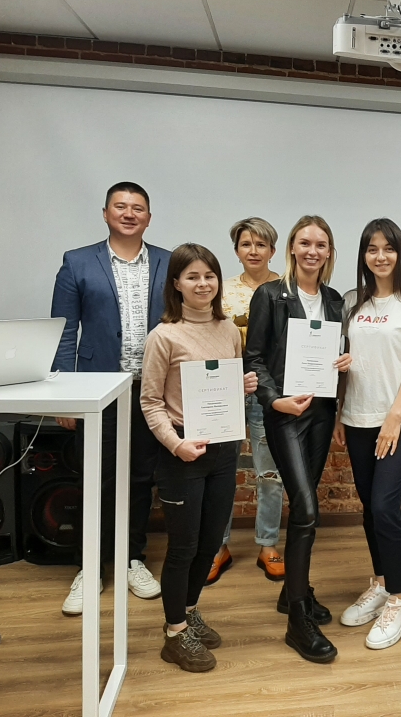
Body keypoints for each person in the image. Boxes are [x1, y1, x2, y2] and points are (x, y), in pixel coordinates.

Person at [51, 181, 168, 616]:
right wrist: (66, 394)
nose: (129, 213)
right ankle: (89, 567)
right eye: (121, 206)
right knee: (96, 479)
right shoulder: (78, 261)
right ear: (106, 213)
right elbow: (65, 330)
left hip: (151, 392)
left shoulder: (169, 261)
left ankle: (132, 558)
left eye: (138, 208)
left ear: (149, 218)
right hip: (97, 391)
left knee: (140, 479)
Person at [140, 243, 258, 672]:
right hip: (182, 453)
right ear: (176, 283)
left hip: (223, 450)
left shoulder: (228, 330)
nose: (203, 284)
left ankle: (188, 612)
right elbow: (151, 402)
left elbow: (224, 389)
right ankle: (173, 634)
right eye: (192, 277)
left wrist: (242, 386)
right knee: (183, 548)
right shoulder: (163, 336)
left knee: (210, 544)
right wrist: (176, 444)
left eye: (209, 276)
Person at [245, 215, 350, 663]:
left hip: (321, 413)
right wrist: (275, 401)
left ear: (329, 252)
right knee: (305, 509)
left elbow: (337, 352)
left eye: (321, 245)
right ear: (291, 247)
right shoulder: (270, 295)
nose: (312, 251)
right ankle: (298, 620)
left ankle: (294, 593)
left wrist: (344, 362)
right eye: (305, 243)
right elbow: (254, 357)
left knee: (306, 507)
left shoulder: (334, 300)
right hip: (286, 414)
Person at [333, 218, 401, 650]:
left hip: (399, 417)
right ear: (363, 255)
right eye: (372, 249)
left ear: (400, 252)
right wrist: (340, 411)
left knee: (384, 505)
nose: (380, 256)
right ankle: (380, 581)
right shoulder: (352, 301)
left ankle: (400, 598)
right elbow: (346, 359)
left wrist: (394, 416)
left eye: (388, 248)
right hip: (357, 415)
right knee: (368, 507)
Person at [208, 217, 282, 585]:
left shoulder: (287, 288)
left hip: (269, 393)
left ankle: (268, 545)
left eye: (261, 244)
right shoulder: (220, 292)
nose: (253, 251)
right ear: (236, 250)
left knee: (269, 473)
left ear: (273, 250)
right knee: (221, 472)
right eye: (246, 244)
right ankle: (217, 546)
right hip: (227, 391)